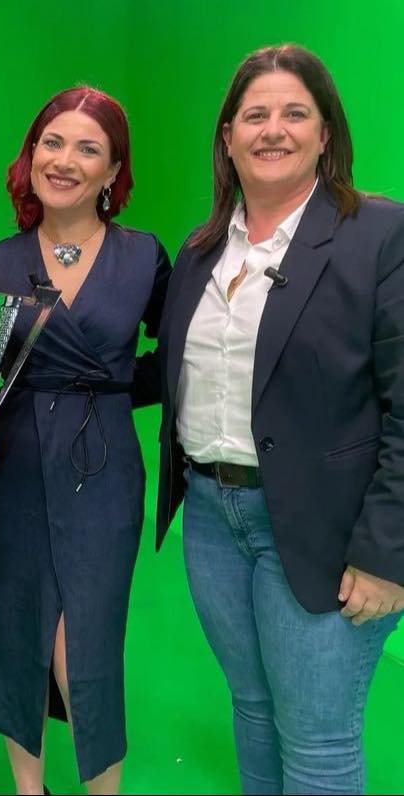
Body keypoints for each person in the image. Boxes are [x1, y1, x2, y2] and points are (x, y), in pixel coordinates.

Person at [155, 44, 404, 795]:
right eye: (255, 114)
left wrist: (389, 553)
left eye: (296, 113)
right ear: (228, 137)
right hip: (211, 519)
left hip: (324, 531)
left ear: (326, 134)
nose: (274, 129)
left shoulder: (380, 236)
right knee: (255, 710)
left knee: (319, 747)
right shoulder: (200, 252)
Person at [0, 86, 170, 794]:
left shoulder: (145, 256)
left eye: (88, 148)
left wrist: (109, 390)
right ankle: (31, 789)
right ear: (30, 158)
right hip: (13, 466)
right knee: (19, 625)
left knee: (84, 641)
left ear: (113, 171)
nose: (65, 159)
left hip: (104, 466)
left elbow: (174, 361)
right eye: (52, 142)